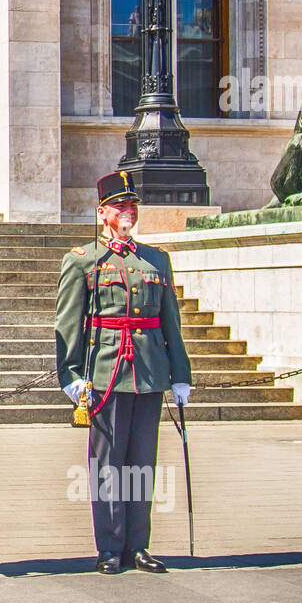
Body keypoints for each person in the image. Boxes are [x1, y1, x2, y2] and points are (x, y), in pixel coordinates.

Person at [54, 170, 192, 574]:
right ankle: (110, 546)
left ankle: (138, 544)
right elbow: (68, 324)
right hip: (106, 371)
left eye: (132, 204)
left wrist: (180, 375)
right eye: (120, 205)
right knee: (108, 463)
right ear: (102, 213)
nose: (128, 210)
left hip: (149, 371)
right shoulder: (83, 261)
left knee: (141, 461)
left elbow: (171, 322)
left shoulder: (156, 259)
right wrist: (72, 375)